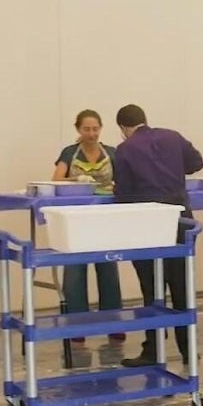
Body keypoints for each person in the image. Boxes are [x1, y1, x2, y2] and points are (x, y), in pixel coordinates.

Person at [112, 104, 203, 367]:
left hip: (148, 226)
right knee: (182, 288)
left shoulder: (125, 149)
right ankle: (188, 350)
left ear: (123, 128)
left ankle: (153, 350)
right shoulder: (172, 136)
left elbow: (124, 194)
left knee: (152, 289)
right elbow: (196, 163)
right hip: (180, 221)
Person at [51, 109, 123, 345]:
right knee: (75, 270)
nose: (91, 134)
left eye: (95, 129)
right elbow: (56, 180)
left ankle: (113, 322)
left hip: (105, 219)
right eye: (86, 129)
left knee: (108, 268)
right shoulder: (69, 153)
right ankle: (76, 325)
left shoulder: (112, 153)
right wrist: (76, 180)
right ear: (78, 130)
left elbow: (124, 180)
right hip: (75, 220)